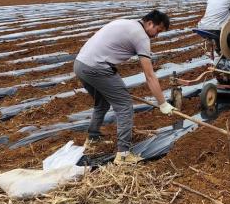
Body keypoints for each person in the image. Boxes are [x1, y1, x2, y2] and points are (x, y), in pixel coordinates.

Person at [73, 9, 174, 165]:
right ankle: (124, 155)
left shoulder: (127, 23)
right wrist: (162, 103)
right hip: (96, 67)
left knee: (102, 103)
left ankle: (93, 140)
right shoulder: (141, 37)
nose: (157, 35)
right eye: (157, 30)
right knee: (125, 105)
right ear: (149, 23)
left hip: (80, 64)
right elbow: (150, 76)